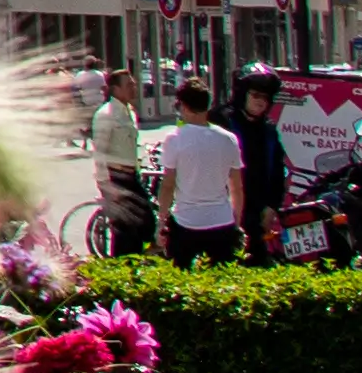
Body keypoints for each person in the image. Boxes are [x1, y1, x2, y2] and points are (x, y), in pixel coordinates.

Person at [153, 78, 247, 264]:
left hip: (185, 221)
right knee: (222, 283)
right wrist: (236, 221)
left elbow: (168, 185)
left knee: (182, 283)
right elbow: (236, 187)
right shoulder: (228, 139)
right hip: (221, 220)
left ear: (184, 106)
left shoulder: (174, 139)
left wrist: (162, 221)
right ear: (208, 105)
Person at [234, 66, 294, 266]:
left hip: (259, 214)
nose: (261, 101)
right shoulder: (223, 122)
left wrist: (271, 207)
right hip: (225, 211)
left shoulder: (268, 129)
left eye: (266, 97)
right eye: (256, 95)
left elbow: (278, 171)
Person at [88, 72, 151, 250]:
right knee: (124, 230)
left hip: (132, 176)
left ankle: (136, 265)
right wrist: (105, 185)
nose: (134, 88)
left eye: (134, 84)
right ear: (115, 89)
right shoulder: (105, 115)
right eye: (129, 85)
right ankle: (122, 269)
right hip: (117, 178)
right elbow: (99, 152)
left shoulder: (129, 111)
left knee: (144, 224)